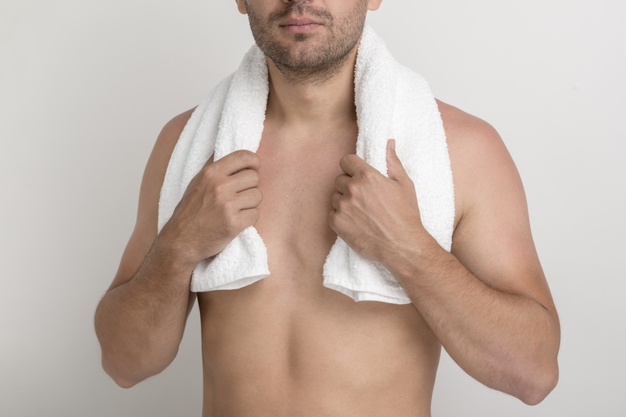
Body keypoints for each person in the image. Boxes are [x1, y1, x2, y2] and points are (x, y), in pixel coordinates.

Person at [94, 1, 560, 416]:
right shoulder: (189, 148)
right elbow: (123, 364)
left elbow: (533, 375)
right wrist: (179, 245)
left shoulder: (463, 151)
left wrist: (410, 250)